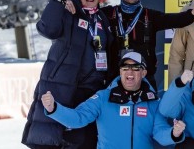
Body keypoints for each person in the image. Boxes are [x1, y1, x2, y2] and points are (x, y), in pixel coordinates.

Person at [23, 0, 116, 148]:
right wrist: (58, 2)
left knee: (86, 141)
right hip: (63, 86)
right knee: (54, 138)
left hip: (92, 91)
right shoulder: (68, 11)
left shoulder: (102, 19)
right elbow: (47, 29)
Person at [87, 0, 194, 88]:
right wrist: (71, 1)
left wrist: (193, 13)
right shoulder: (107, 14)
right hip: (113, 80)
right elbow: (85, 9)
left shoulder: (150, 16)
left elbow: (176, 20)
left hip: (144, 80)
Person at [39, 52, 180, 148]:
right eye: (125, 68)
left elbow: (160, 133)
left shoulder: (153, 102)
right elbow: (78, 118)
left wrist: (174, 133)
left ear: (143, 73)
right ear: (120, 72)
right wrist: (54, 108)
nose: (130, 72)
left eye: (136, 68)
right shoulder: (102, 98)